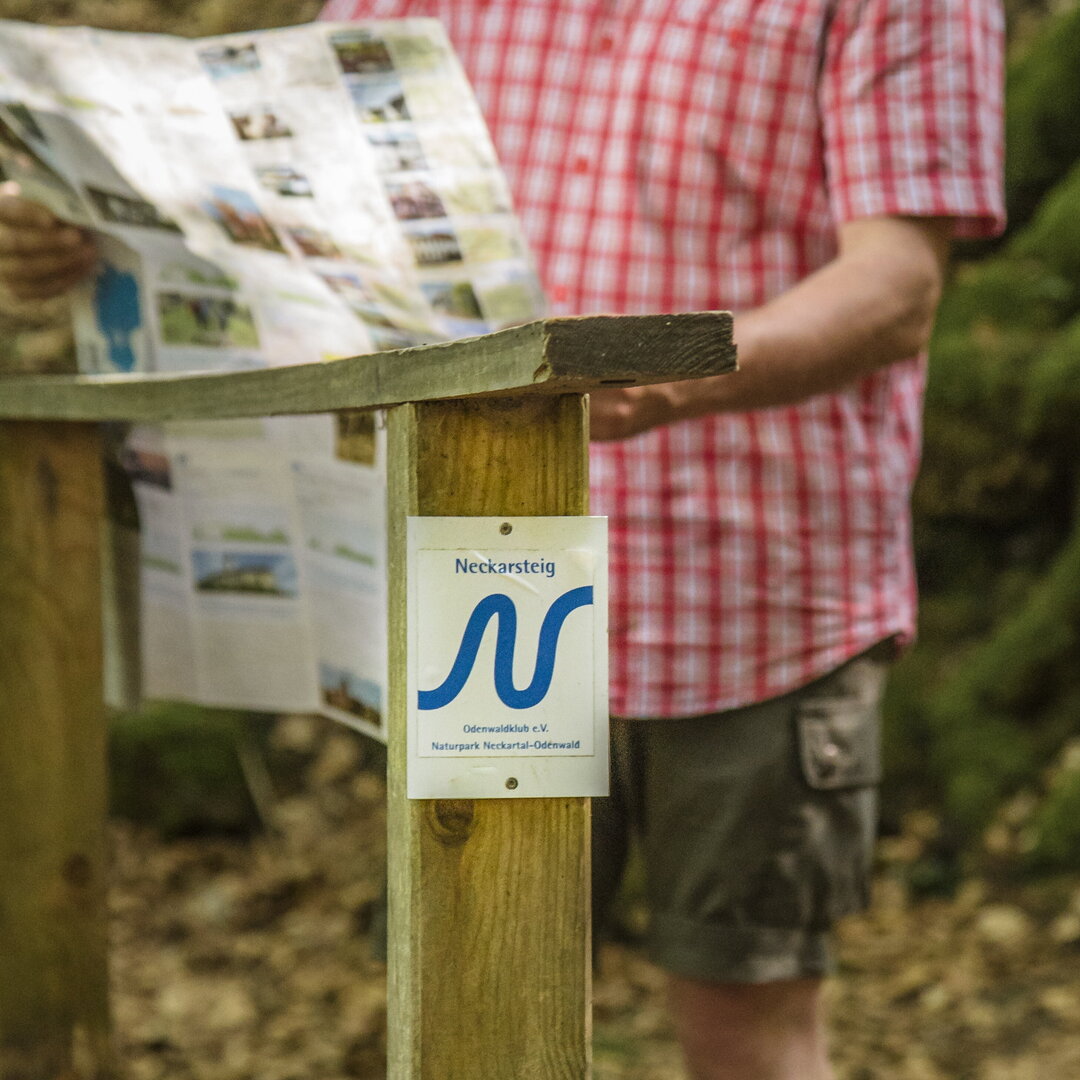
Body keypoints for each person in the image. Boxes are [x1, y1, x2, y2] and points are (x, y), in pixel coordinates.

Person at [0, 3, 1006, 1077]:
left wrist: (655, 374)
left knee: (749, 1032)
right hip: (476, 567)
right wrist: (65, 231)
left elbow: (897, 287)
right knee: (473, 1011)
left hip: (751, 590)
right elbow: (266, 176)